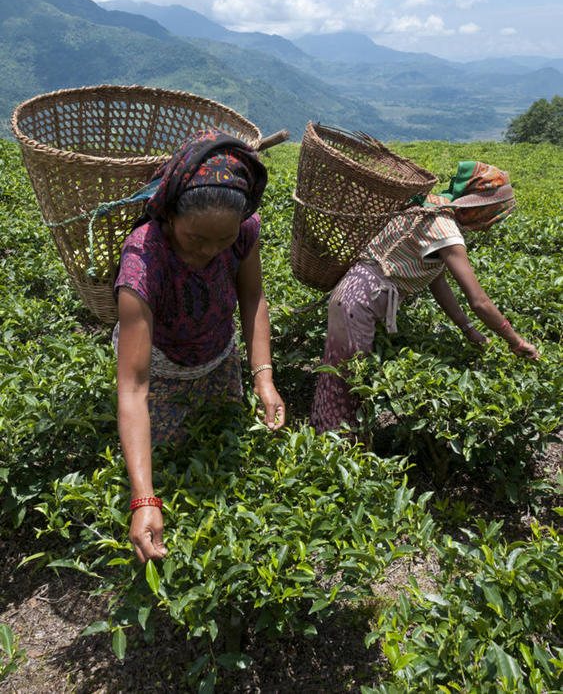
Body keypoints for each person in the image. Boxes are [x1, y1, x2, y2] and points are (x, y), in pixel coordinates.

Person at [114, 128, 285, 563]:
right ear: (170, 214)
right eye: (196, 239)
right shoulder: (142, 260)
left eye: (222, 240)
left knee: (221, 443)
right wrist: (143, 499)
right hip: (162, 368)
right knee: (169, 463)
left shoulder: (243, 231)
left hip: (219, 355)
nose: (210, 251)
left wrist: (263, 377)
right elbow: (132, 387)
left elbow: (252, 297)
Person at [310, 160, 540, 434]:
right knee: (348, 384)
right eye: (491, 212)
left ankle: (330, 437)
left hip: (352, 295)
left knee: (340, 376)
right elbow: (479, 301)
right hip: (359, 304)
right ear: (478, 205)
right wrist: (516, 341)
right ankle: (340, 448)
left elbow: (436, 281)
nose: (489, 223)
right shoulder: (446, 230)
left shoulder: (430, 206)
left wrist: (468, 329)